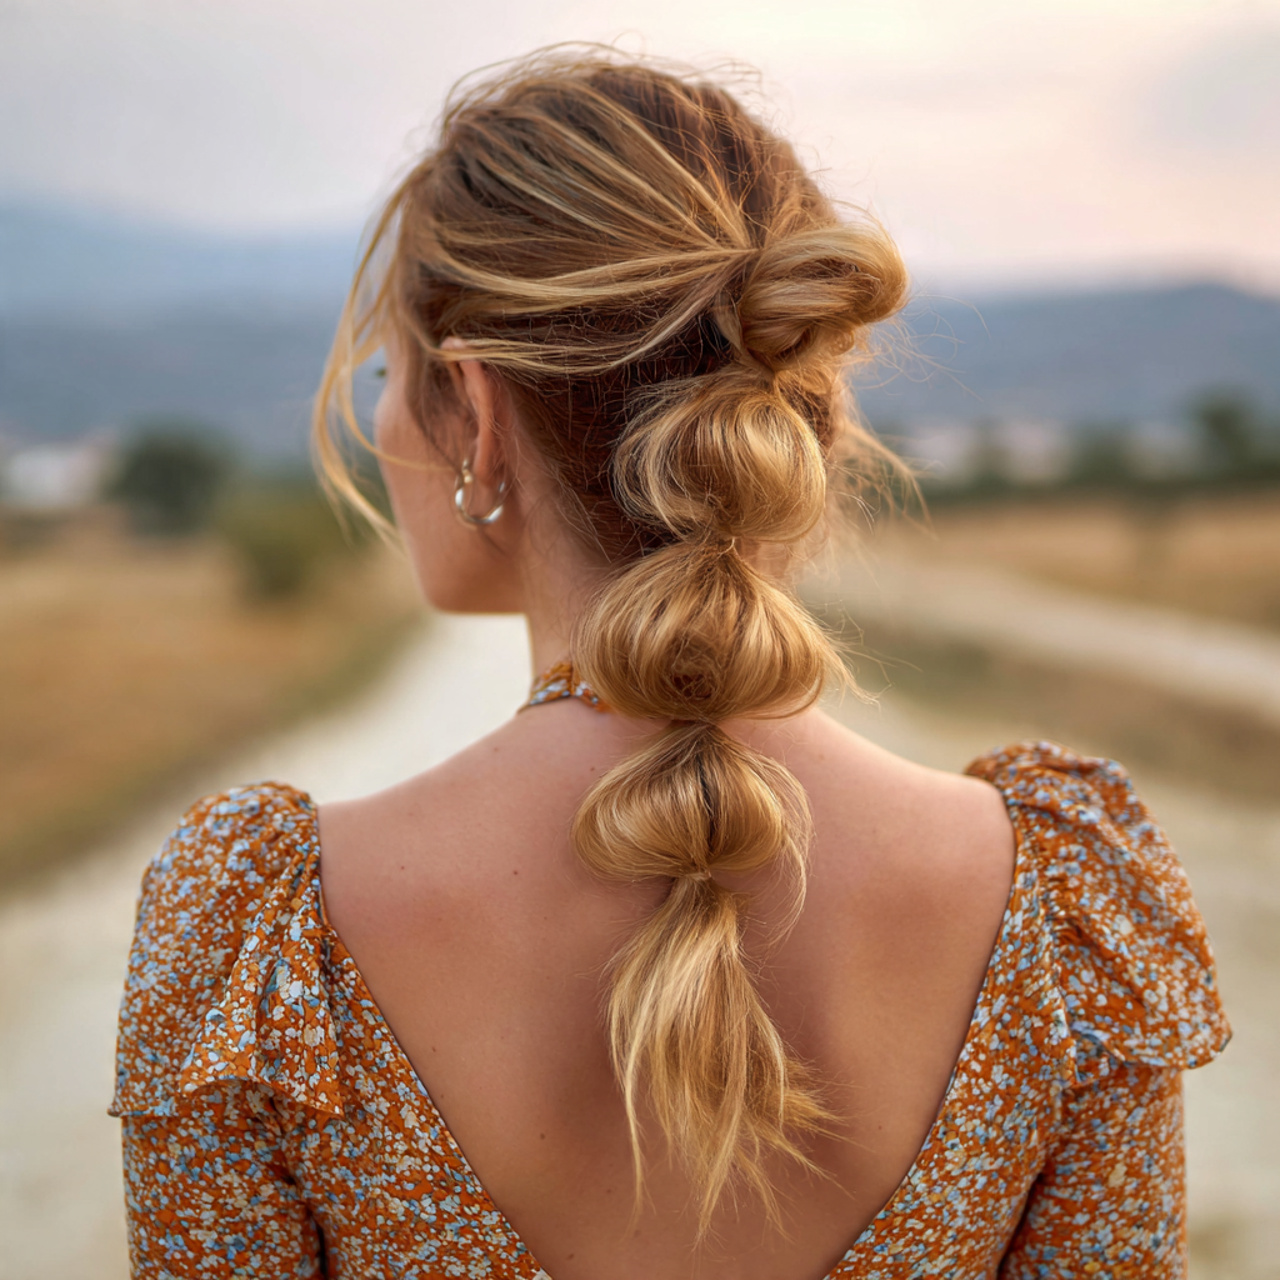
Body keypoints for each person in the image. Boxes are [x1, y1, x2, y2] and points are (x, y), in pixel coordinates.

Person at [111, 49, 1229, 1279]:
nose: (380, 424)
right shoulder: (1060, 900)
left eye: (391, 374)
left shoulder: (256, 929)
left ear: (473, 412)